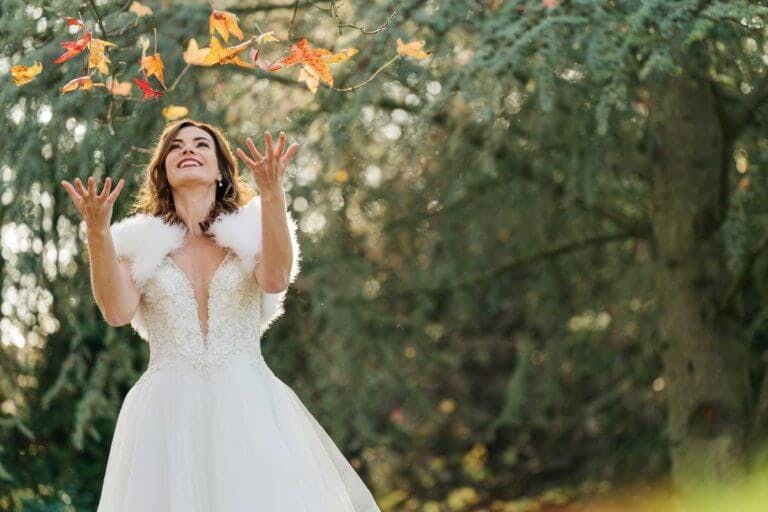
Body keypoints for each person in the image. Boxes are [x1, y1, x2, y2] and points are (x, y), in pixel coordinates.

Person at [60, 119, 382, 511]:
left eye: (201, 145)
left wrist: (272, 193)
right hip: (166, 412)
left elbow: (276, 278)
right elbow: (115, 311)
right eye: (176, 147)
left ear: (221, 170)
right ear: (162, 170)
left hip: (247, 405)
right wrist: (97, 232)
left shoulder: (251, 229)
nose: (188, 150)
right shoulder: (138, 242)